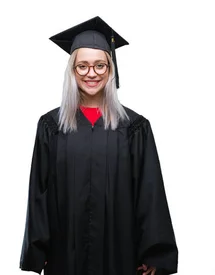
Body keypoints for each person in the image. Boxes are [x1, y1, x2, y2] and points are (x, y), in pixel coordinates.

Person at [19, 16, 178, 275]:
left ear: (110, 69)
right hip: (64, 254)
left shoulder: (135, 127)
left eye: (100, 66)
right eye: (82, 66)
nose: (91, 73)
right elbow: (39, 192)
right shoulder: (51, 126)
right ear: (72, 71)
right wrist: (39, 250)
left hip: (121, 253)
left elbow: (149, 193)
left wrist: (153, 253)